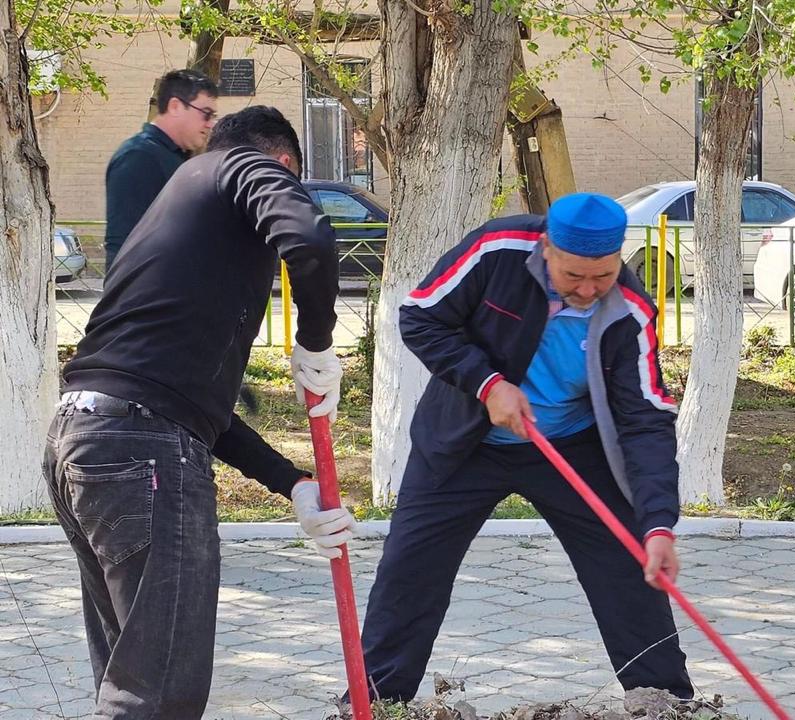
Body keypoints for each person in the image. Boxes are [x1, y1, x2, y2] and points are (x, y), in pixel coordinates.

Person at [45, 106, 357, 719]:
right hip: (138, 452)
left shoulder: (178, 213)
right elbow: (311, 237)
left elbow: (184, 402)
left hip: (86, 439)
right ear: (285, 165)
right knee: (155, 699)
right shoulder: (241, 165)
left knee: (131, 680)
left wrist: (291, 484)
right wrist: (318, 340)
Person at [357, 192, 694, 702]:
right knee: (410, 569)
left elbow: (645, 421)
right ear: (547, 249)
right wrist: (488, 383)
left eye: (601, 276)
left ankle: (664, 704)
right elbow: (420, 316)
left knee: (629, 568)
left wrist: (658, 523)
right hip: (464, 440)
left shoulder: (630, 310)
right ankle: (374, 702)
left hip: (571, 447)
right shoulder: (496, 250)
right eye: (573, 276)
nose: (587, 290)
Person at [103, 69, 219, 272]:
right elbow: (125, 247)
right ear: (175, 106)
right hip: (147, 299)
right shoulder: (138, 157)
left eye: (213, 116)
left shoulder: (175, 158)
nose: (210, 123)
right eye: (206, 114)